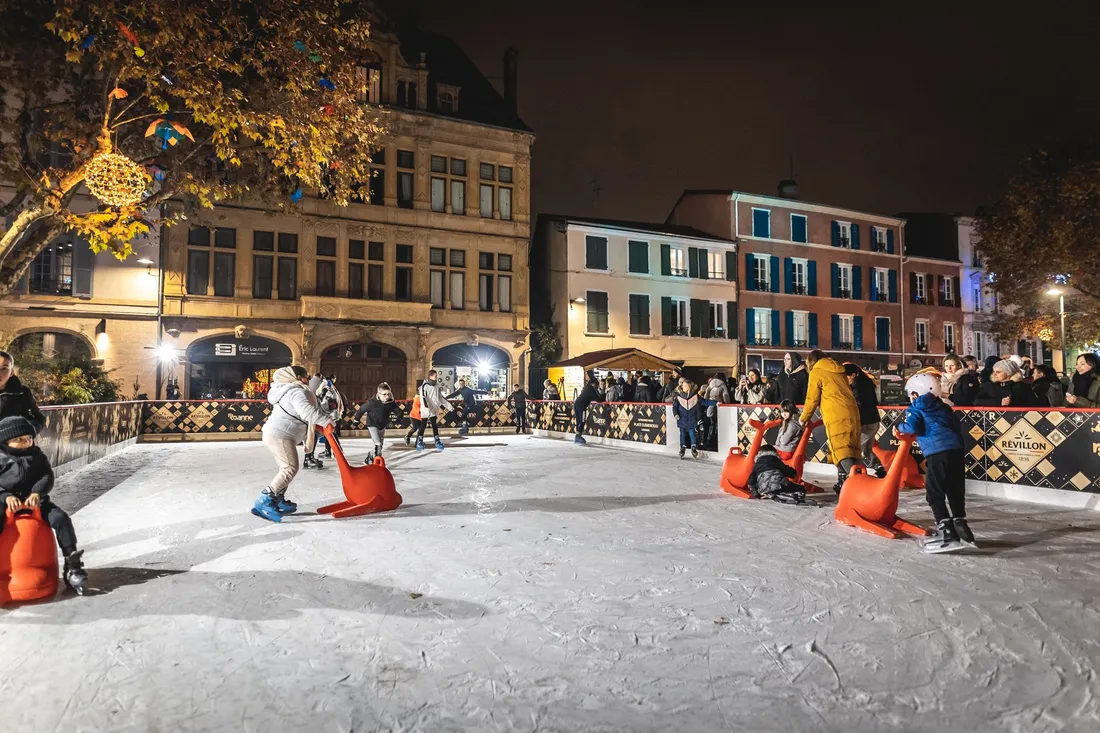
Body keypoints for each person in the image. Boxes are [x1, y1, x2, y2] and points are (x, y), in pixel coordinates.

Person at [0, 415, 87, 592]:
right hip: (4, 503)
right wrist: (6, 496)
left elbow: (47, 476)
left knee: (61, 518)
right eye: (19, 440)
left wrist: (37, 493)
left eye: (29, 439)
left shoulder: (37, 455)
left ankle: (72, 563)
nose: (26, 443)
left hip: (36, 502)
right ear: (5, 441)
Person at [897, 373, 972, 553]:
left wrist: (898, 427)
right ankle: (961, 524)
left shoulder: (916, 407)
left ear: (916, 393)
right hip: (956, 450)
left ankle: (947, 532)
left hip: (937, 453)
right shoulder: (944, 407)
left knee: (934, 493)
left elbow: (911, 427)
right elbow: (956, 426)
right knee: (954, 489)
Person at [254, 365, 340, 522]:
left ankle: (276, 499)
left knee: (286, 468)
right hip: (280, 435)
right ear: (298, 378)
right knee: (290, 468)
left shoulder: (290, 390)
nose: (308, 379)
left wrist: (320, 426)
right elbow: (307, 412)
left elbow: (304, 416)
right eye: (306, 376)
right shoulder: (296, 391)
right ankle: (264, 501)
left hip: (279, 434)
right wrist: (328, 422)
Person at [800, 350, 863, 493]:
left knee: (842, 451)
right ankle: (846, 482)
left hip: (836, 415)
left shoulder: (817, 372)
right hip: (852, 412)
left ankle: (858, 485)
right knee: (852, 449)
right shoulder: (839, 370)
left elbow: (812, 398)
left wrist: (804, 417)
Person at [843, 363, 886, 476]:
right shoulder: (866, 383)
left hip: (866, 423)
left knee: (855, 449)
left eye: (846, 377)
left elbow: (860, 406)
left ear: (853, 375)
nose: (845, 380)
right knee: (866, 449)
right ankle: (879, 467)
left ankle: (854, 472)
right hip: (873, 421)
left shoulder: (858, 388)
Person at [353, 382, 402, 463]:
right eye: (384, 394)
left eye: (388, 394)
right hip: (372, 424)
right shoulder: (372, 403)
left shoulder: (390, 402)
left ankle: (370, 456)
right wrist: (356, 420)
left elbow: (398, 411)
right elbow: (361, 410)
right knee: (378, 444)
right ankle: (376, 463)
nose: (387, 396)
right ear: (378, 394)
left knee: (380, 446)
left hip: (382, 425)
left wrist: (399, 418)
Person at [0, 351, 46, 434]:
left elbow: (38, 418)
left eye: (4, 368)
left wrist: (25, 432)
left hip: (12, 445)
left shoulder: (22, 392)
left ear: (11, 372)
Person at [672, 379, 710, 459]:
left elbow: (705, 402)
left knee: (692, 433)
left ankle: (693, 447)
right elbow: (675, 407)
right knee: (682, 434)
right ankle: (682, 447)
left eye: (685, 386)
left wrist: (715, 403)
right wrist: (676, 414)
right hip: (682, 419)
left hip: (692, 419)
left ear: (689, 387)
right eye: (683, 386)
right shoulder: (678, 397)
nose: (683, 387)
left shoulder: (695, 397)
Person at [417, 370, 453, 451]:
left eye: (436, 376)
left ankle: (437, 441)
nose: (436, 377)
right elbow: (423, 398)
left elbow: (440, 398)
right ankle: (420, 441)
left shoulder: (437, 386)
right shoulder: (424, 386)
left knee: (434, 425)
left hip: (434, 409)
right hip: (426, 410)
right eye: (435, 376)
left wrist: (449, 407)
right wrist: (426, 408)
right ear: (430, 376)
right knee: (423, 425)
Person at [573, 371, 603, 445]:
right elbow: (598, 399)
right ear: (593, 384)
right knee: (582, 421)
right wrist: (603, 393)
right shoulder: (591, 389)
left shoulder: (586, 388)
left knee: (579, 420)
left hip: (577, 404)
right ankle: (578, 436)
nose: (597, 387)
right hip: (581, 406)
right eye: (597, 385)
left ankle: (577, 436)